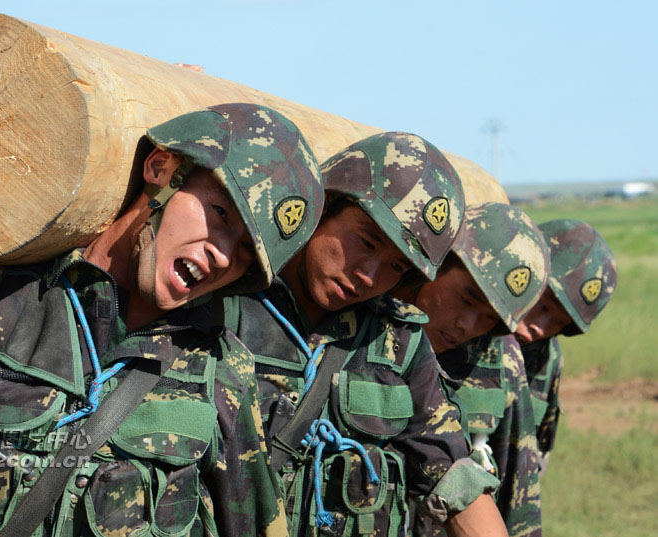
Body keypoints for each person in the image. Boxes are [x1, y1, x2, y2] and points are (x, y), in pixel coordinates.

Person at [0, 8, 326, 537]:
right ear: (161, 169)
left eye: (245, 253)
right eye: (220, 215)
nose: (223, 254)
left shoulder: (220, 369)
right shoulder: (1, 298)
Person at [224, 132, 508, 537]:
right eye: (366, 241)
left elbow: (452, 476)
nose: (369, 275)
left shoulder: (399, 341)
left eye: (395, 268)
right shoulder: (227, 301)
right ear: (325, 207)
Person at [391, 202, 550, 537]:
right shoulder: (364, 322)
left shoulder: (498, 356)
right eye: (466, 299)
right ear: (437, 264)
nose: (468, 325)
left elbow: (518, 490)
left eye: (490, 319)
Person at [513, 219, 617, 473]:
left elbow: (537, 457)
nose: (540, 327)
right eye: (543, 305)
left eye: (559, 322)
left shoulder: (548, 359)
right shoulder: (462, 328)